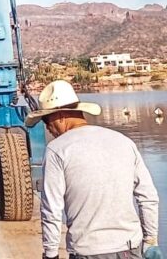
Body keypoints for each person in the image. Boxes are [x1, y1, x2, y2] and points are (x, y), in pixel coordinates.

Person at [25, 80, 161, 259]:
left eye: (46, 120)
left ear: (60, 116)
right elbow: (148, 197)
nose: (48, 128)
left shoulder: (56, 150)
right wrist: (150, 241)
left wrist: (51, 254)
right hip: (131, 249)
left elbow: (51, 210)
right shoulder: (123, 141)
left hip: (87, 252)